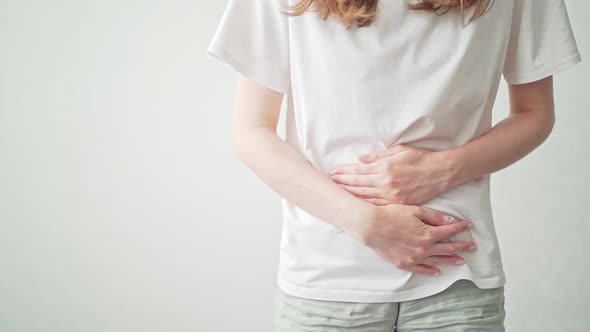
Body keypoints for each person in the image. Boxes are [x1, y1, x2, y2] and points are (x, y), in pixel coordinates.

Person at [206, 0, 581, 330]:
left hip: (457, 280)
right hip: (326, 282)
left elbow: (535, 114)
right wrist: (365, 222)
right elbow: (251, 131)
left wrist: (444, 169)